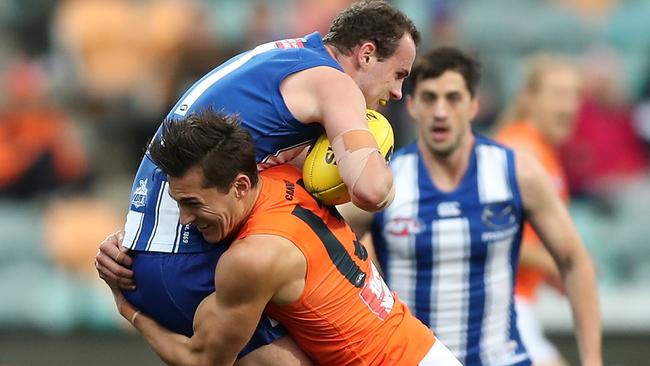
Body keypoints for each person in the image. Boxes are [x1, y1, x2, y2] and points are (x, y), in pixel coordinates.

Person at [94, 0, 420, 363]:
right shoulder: (334, 83)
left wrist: (140, 231)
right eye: (399, 75)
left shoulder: (287, 54)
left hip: (154, 248)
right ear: (367, 54)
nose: (396, 94)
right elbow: (371, 191)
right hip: (184, 256)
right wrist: (379, 150)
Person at [103, 109, 461, 365]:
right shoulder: (290, 175)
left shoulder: (253, 258)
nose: (183, 218)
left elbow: (201, 361)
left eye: (192, 203)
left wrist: (130, 308)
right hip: (423, 348)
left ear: (240, 185)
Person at [338, 48, 602, 366]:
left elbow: (575, 262)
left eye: (452, 98)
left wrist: (592, 359)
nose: (440, 111)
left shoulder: (517, 171)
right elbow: (324, 252)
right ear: (411, 106)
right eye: (429, 98)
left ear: (474, 105)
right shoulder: (385, 182)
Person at [494, 54, 582, 366]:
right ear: (529, 99)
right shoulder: (521, 151)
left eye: (575, 95)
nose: (570, 106)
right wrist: (560, 262)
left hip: (516, 303)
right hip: (499, 306)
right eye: (559, 94)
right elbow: (488, 232)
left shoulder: (540, 151)